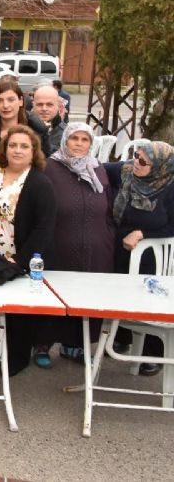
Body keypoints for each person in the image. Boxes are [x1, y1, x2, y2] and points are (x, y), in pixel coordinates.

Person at [0, 125, 55, 374]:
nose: (17, 150)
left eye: (24, 146)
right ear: (4, 149)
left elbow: (44, 227)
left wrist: (20, 260)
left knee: (16, 312)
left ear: (34, 151)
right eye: (12, 145)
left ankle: (15, 358)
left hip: (15, 258)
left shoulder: (39, 183)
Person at [43, 123, 114, 364]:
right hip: (59, 243)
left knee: (87, 296)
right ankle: (42, 344)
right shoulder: (49, 167)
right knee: (55, 295)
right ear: (65, 140)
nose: (79, 144)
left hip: (96, 244)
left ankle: (76, 345)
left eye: (85, 139)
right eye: (74, 138)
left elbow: (110, 204)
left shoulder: (98, 168)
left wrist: (109, 236)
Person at [105, 140, 174, 375]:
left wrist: (145, 234)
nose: (136, 162)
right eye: (136, 155)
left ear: (159, 165)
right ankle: (121, 337)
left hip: (151, 250)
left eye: (143, 161)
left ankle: (153, 352)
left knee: (147, 299)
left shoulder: (169, 186)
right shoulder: (126, 171)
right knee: (118, 291)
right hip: (120, 243)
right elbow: (98, 167)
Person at [0, 80, 50, 161]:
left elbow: (43, 162)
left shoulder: (37, 129)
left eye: (11, 100)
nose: (5, 105)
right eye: (0, 101)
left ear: (20, 101)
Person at [31, 83, 67, 155]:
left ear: (58, 106)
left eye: (49, 105)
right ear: (33, 105)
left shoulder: (67, 134)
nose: (44, 109)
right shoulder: (22, 128)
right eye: (40, 104)